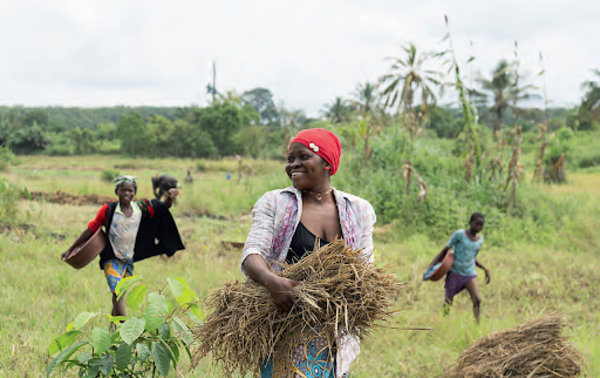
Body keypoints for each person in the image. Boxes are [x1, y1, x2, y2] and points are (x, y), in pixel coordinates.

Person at [241, 128, 376, 378]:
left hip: (332, 333)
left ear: (327, 162)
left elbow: (365, 268)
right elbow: (252, 253)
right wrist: (273, 281)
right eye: (290, 159)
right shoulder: (275, 202)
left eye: (303, 157)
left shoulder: (358, 210)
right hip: (284, 324)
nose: (293, 165)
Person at [61, 175, 185, 317]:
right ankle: (126, 332)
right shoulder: (109, 209)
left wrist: (169, 198)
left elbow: (162, 208)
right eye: (123, 190)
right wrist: (71, 249)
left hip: (128, 260)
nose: (127, 193)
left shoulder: (140, 209)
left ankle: (113, 329)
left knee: (119, 296)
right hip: (111, 259)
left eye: (130, 191)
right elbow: (92, 228)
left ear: (135, 193)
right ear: (116, 191)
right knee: (117, 293)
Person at [427, 212, 490, 323]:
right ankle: (444, 322)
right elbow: (445, 250)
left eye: (482, 225)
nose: (479, 227)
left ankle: (477, 325)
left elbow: (472, 257)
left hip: (469, 273)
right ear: (470, 223)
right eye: (477, 224)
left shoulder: (480, 239)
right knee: (448, 301)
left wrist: (484, 269)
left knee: (477, 300)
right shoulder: (459, 235)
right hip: (454, 272)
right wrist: (431, 267)